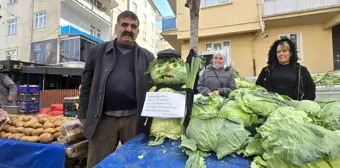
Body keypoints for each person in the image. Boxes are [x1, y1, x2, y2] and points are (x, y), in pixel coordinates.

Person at [78, 11, 154, 168]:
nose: (128, 29)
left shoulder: (148, 57)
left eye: (133, 26)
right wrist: (83, 113)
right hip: (103, 119)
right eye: (124, 24)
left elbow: (155, 88)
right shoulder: (98, 51)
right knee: (97, 163)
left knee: (135, 162)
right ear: (116, 27)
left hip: (135, 119)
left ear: (137, 32)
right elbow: (86, 84)